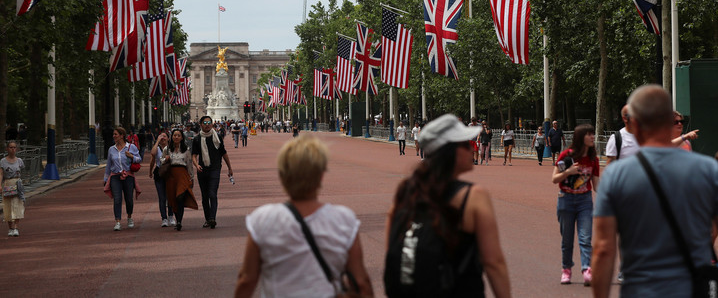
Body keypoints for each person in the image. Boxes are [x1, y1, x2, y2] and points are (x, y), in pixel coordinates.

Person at [592, 85, 718, 297]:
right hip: (693, 286)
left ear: (635, 123)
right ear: (669, 121)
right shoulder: (709, 169)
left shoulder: (615, 175)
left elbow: (603, 249)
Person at [384, 114, 511, 297]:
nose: (471, 148)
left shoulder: (406, 192)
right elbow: (493, 263)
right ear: (450, 152)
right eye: (465, 144)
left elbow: (393, 252)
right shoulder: (473, 197)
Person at [234, 135, 373, 297]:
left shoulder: (262, 219)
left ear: (282, 176)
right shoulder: (343, 219)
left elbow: (247, 280)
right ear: (321, 176)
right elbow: (361, 282)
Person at [552, 123, 599, 286]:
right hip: (566, 199)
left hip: (584, 201)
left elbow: (597, 185)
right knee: (567, 240)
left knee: (585, 238)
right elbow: (554, 179)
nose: (593, 137)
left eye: (593, 134)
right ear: (580, 137)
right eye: (589, 134)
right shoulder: (566, 155)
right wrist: (568, 172)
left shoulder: (593, 159)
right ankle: (566, 269)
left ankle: (587, 269)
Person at [191, 115, 234, 229]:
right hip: (202, 169)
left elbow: (223, 153)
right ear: (201, 125)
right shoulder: (197, 139)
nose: (207, 125)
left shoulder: (217, 137)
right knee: (205, 196)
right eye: (205, 123)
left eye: (209, 123)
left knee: (212, 194)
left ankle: (212, 218)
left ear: (212, 124)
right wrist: (196, 165)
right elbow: (194, 155)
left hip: (215, 168)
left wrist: (229, 167)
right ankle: (207, 218)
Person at [103, 127, 141, 231]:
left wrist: (131, 156)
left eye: (116, 134)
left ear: (122, 135)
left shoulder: (131, 147)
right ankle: (118, 221)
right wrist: (105, 178)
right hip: (115, 176)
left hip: (128, 176)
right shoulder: (111, 149)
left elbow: (139, 159)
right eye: (113, 134)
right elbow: (108, 164)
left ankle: (129, 217)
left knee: (129, 198)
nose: (114, 136)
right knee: (117, 199)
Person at [163, 129, 198, 231]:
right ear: (172, 137)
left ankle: (179, 221)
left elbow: (189, 164)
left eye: (178, 135)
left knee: (180, 197)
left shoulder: (186, 150)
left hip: (182, 174)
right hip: (171, 175)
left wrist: (192, 178)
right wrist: (165, 159)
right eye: (175, 135)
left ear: (182, 137)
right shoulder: (167, 149)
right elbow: (161, 160)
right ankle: (178, 219)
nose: (176, 137)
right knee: (173, 198)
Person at [0, 141, 25, 237]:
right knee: (8, 206)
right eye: (11, 147)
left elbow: (22, 171)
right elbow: (1, 173)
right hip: (7, 184)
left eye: (14, 147)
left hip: (17, 184)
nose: (13, 149)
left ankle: (16, 227)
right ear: (7, 149)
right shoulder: (3, 161)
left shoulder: (19, 160)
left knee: (17, 205)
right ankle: (10, 228)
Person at [149, 132, 174, 227]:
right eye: (161, 136)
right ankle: (164, 218)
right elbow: (152, 155)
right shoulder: (157, 148)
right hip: (159, 173)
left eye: (164, 136)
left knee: (170, 196)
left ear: (168, 138)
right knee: (162, 197)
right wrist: (150, 171)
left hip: (170, 173)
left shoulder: (171, 147)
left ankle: (171, 216)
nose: (163, 138)